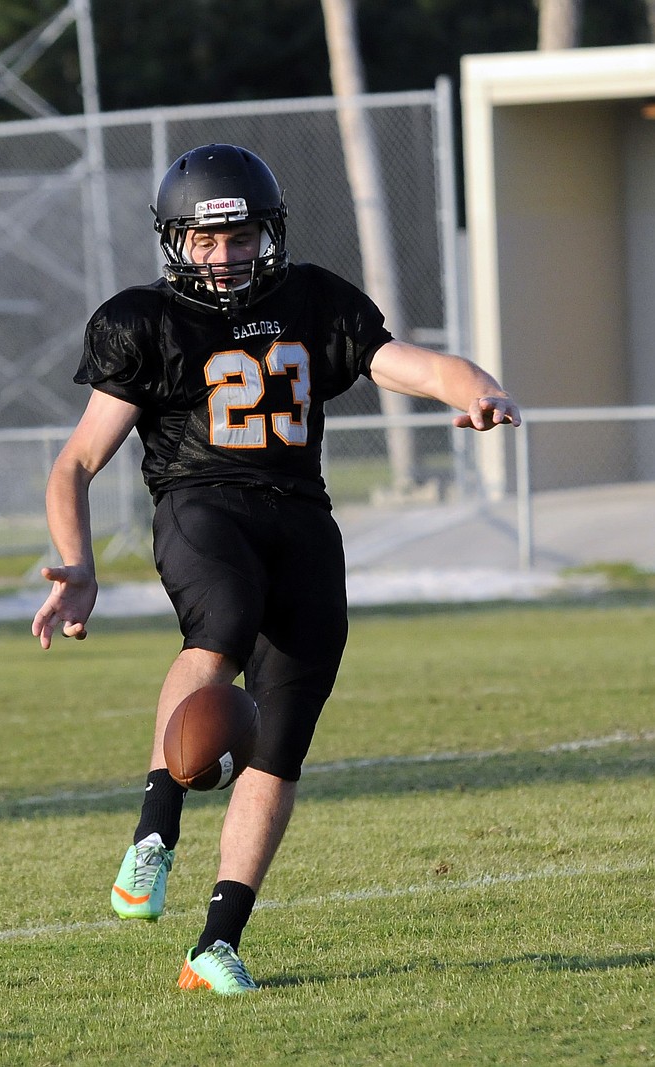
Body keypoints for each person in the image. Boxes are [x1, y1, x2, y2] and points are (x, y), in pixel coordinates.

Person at [31, 143, 520, 995]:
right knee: (218, 624)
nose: (224, 257)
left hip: (302, 523)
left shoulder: (313, 300)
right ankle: (154, 833)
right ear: (175, 241)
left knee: (281, 742)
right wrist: (76, 561)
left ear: (271, 233)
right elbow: (75, 462)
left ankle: (215, 943)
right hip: (203, 502)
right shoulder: (142, 321)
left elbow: (406, 362)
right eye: (205, 241)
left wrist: (473, 386)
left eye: (242, 237)